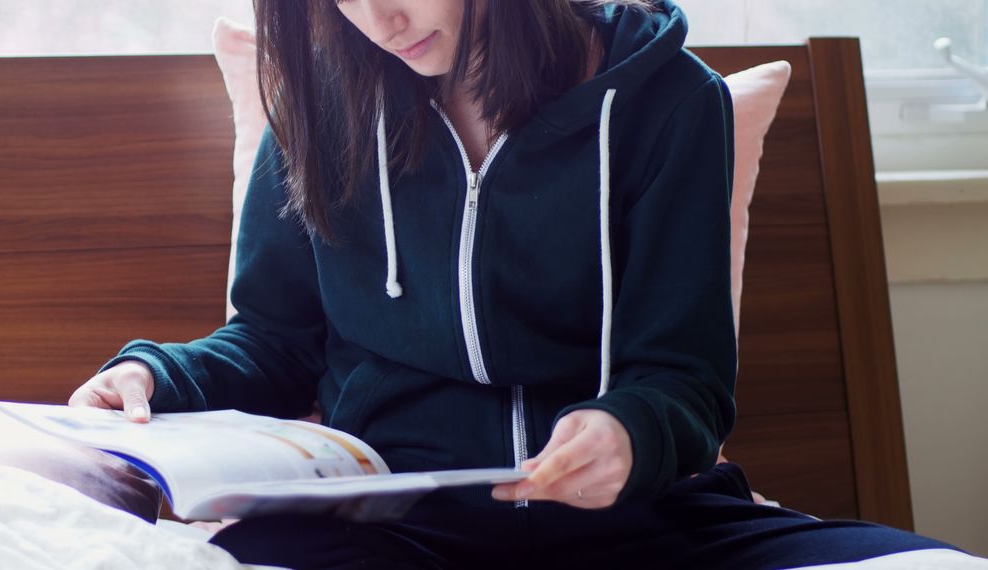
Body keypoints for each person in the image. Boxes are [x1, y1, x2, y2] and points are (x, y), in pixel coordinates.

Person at [69, 1, 970, 567]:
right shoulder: (321, 110)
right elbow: (275, 339)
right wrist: (155, 377)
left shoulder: (668, 104)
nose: (377, 17)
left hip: (643, 528)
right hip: (386, 531)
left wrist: (628, 432)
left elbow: (685, 382)